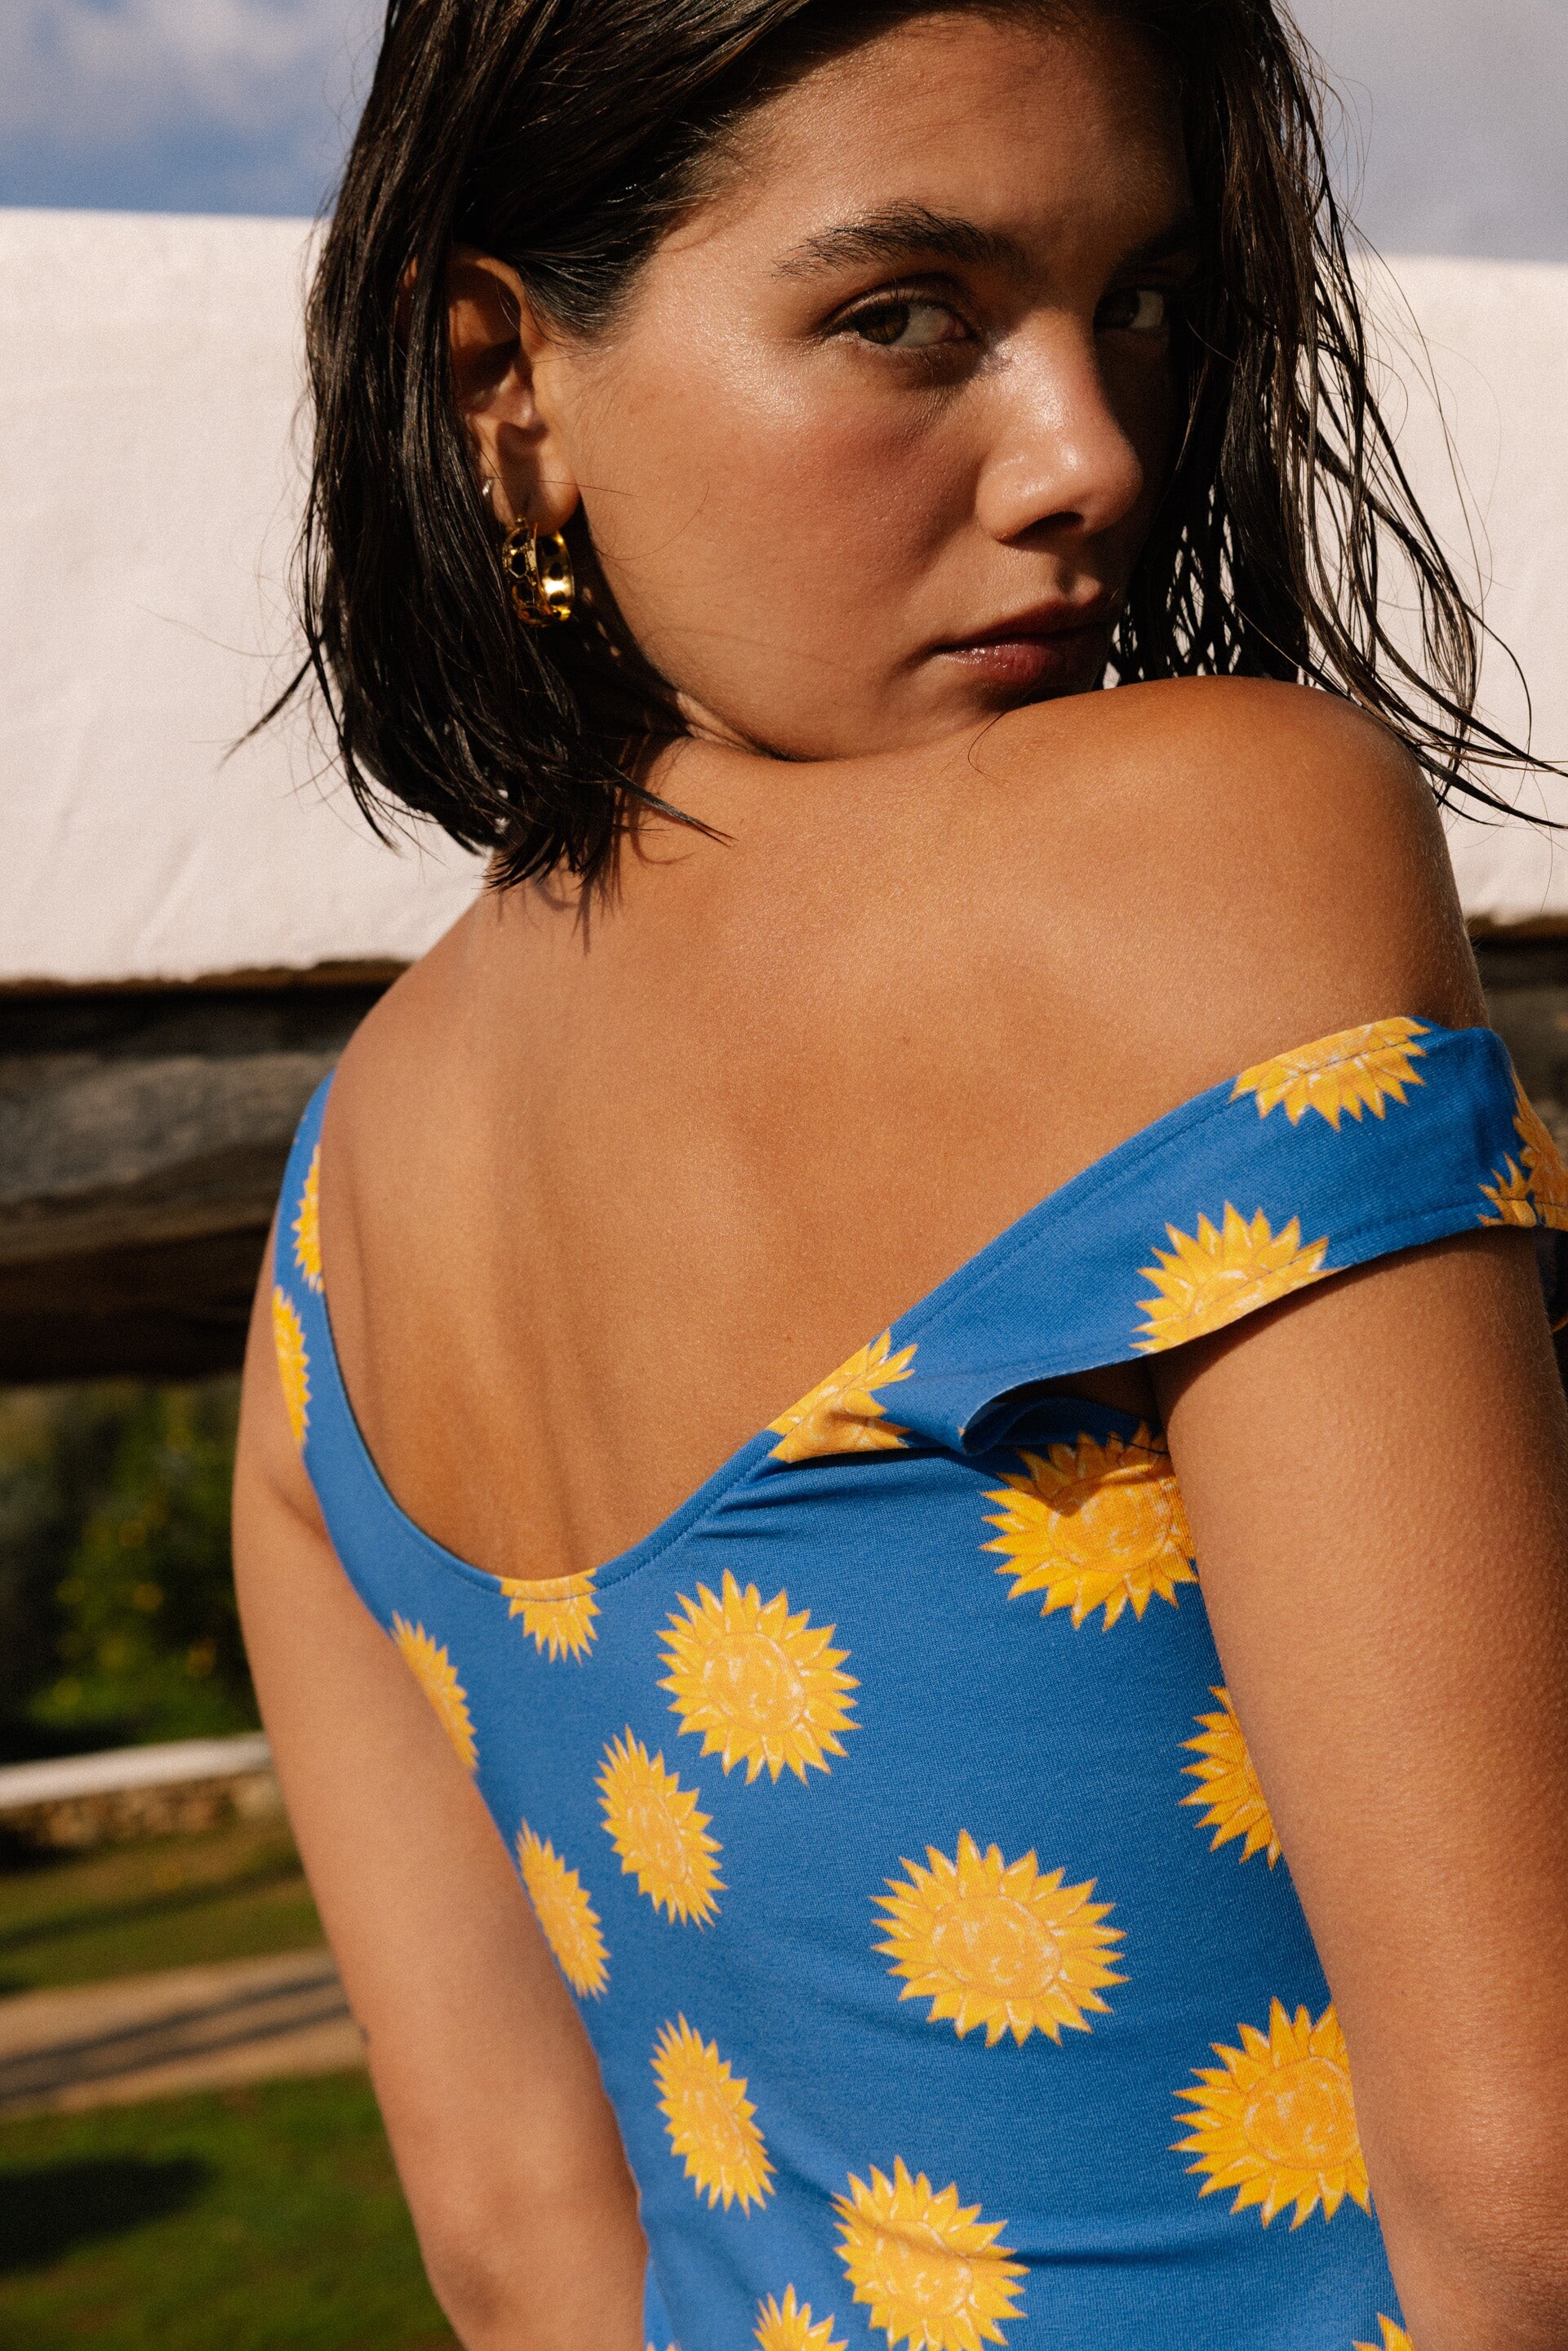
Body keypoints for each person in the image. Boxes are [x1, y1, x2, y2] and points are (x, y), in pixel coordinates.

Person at [232, 4, 1568, 2347]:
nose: (1089, 455)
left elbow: (521, 2254)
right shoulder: (1210, 853)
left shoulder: (335, 1224)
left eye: (1139, 302)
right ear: (504, 385)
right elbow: (1531, 2188)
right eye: (903, 315)